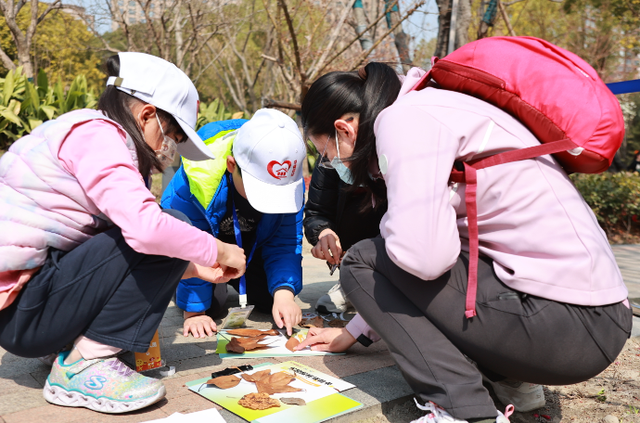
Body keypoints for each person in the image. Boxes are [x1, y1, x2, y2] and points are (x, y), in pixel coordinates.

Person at [295, 63, 632, 423]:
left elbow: (423, 260)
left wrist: (389, 232)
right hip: (597, 317)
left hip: (566, 329)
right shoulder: (438, 105)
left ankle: (464, 412)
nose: (331, 163)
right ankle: (509, 383)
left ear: (343, 129)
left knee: (361, 261)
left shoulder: (402, 121)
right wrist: (354, 332)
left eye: (326, 154)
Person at [0, 53, 246, 413]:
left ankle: (75, 349)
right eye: (172, 135)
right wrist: (218, 251)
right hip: (26, 315)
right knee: (167, 222)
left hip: (32, 308)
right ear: (147, 114)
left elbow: (107, 253)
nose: (169, 147)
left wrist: (192, 268)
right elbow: (145, 231)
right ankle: (84, 365)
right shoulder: (98, 137)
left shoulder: (93, 135)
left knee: (166, 225)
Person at [161, 108, 306, 337]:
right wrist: (194, 312)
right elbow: (187, 243)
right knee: (210, 305)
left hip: (251, 251)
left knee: (273, 299)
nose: (268, 201)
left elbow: (285, 242)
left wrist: (284, 293)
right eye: (260, 189)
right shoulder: (197, 180)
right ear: (231, 165)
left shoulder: (286, 179)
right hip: (206, 256)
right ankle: (186, 290)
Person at [304, 157, 386, 313]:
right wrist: (323, 232)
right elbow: (316, 211)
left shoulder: (392, 153)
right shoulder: (328, 158)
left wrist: (365, 252)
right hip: (352, 234)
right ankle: (353, 279)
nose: (327, 156)